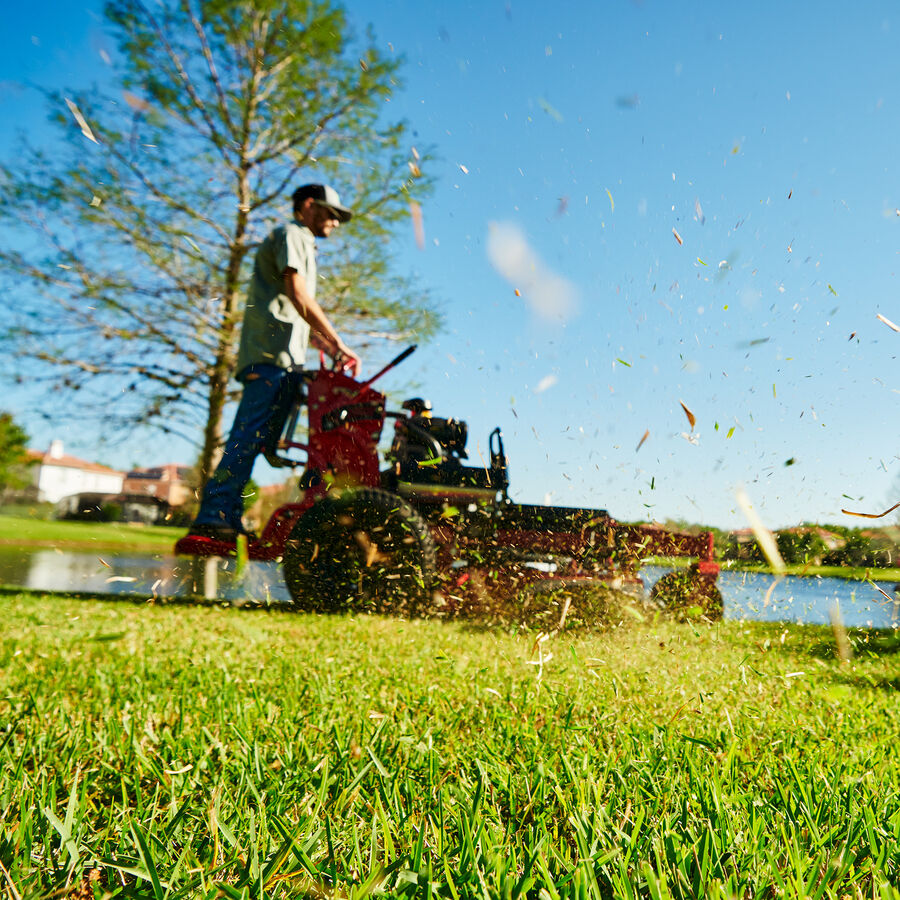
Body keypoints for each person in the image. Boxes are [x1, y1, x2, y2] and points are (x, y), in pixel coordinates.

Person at [188, 183, 361, 542]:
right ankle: (214, 516)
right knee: (247, 438)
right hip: (270, 360)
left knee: (266, 443)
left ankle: (228, 517)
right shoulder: (292, 234)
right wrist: (339, 342)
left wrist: (331, 351)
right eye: (331, 214)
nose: (335, 223)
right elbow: (299, 297)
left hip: (284, 361)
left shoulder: (301, 242)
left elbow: (297, 316)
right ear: (308, 206)